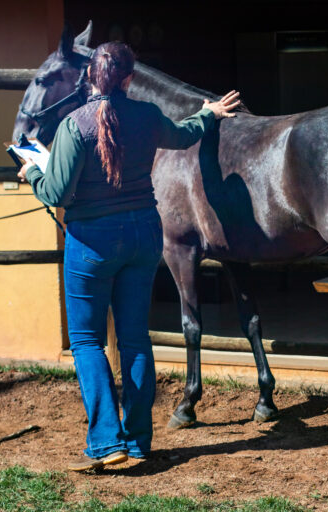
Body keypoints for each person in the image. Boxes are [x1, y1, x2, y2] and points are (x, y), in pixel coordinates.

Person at [17, 41, 240, 472]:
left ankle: (105, 443)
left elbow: (57, 192)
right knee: (135, 338)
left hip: (92, 242)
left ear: (89, 77)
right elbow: (183, 135)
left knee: (87, 342)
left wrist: (34, 173)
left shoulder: (73, 125)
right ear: (129, 79)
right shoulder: (147, 116)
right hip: (143, 234)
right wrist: (209, 114)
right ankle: (137, 441)